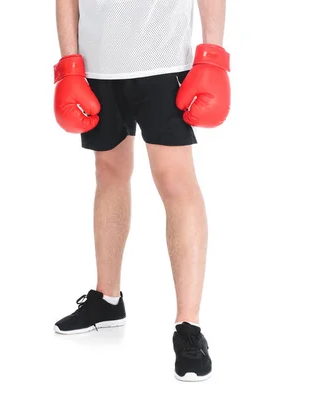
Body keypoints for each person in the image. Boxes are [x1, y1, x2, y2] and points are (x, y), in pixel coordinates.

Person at [52, 0, 230, 382]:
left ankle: (189, 327)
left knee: (174, 180)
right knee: (109, 172)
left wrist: (212, 56)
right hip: (97, 63)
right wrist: (69, 65)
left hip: (163, 60)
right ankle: (107, 300)